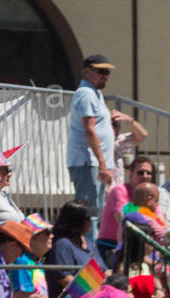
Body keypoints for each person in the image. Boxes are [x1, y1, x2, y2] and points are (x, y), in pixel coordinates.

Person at [66, 55, 116, 229]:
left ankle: (90, 252)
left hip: (95, 164)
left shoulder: (95, 93)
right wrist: (102, 164)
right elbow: (89, 129)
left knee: (94, 214)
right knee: (88, 215)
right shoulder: (86, 94)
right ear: (87, 72)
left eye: (107, 72)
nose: (105, 76)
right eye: (101, 71)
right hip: (88, 163)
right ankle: (88, 254)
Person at [97, 155, 154, 263]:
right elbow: (124, 222)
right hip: (111, 246)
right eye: (140, 172)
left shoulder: (151, 193)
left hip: (139, 245)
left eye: (149, 173)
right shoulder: (119, 191)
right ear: (131, 174)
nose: (145, 176)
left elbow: (158, 221)